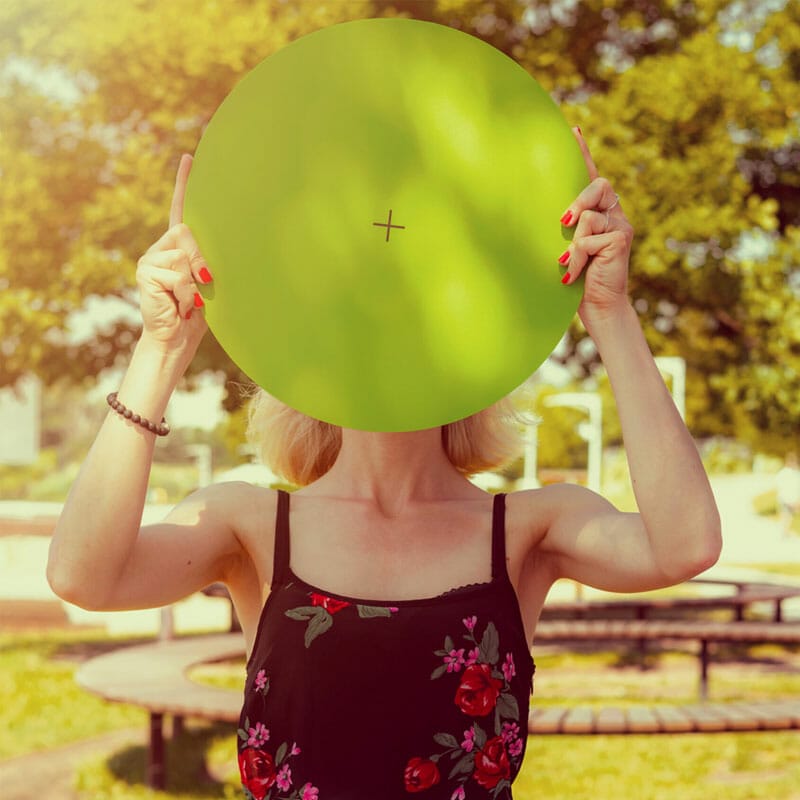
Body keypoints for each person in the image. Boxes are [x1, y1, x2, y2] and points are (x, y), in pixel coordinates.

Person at [47, 128, 721, 799]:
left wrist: (609, 311)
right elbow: (82, 576)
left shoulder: (528, 528)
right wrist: (162, 348)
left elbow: (686, 545)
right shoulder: (249, 523)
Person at [776, 451, 800, 537]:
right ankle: (785, 532)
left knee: (789, 516)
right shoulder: (784, 473)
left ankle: (785, 531)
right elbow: (781, 488)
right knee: (786, 515)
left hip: (793, 499)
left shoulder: (796, 473)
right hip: (786, 499)